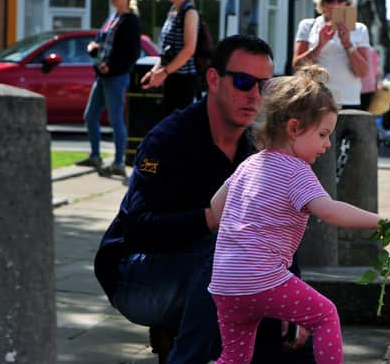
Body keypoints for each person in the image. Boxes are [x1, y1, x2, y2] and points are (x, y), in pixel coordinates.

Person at [94, 35, 315, 364]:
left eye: (264, 86)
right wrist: (209, 218)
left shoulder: (258, 151)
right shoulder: (168, 140)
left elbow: (278, 235)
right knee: (228, 255)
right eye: (242, 82)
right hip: (135, 276)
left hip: (205, 277)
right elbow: (137, 228)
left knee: (290, 320)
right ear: (213, 79)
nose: (254, 95)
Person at [208, 65, 390, 364]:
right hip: (262, 279)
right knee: (325, 315)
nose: (328, 144)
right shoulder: (297, 171)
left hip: (225, 282)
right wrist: (383, 221)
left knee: (234, 358)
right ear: (293, 128)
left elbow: (215, 206)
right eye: (323, 134)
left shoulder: (249, 165)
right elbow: (330, 211)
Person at [76, 0, 140, 176]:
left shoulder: (130, 20)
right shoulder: (112, 18)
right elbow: (99, 41)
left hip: (115, 77)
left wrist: (111, 66)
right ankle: (96, 155)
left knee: (115, 119)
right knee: (91, 116)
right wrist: (92, 48)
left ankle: (119, 162)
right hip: (102, 76)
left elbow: (131, 53)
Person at [292, 0, 370, 110]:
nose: (335, 4)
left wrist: (348, 45)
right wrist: (319, 45)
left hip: (348, 100)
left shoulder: (359, 29)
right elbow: (297, 67)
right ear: (322, 3)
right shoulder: (308, 25)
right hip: (315, 99)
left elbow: (363, 72)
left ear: (348, 3)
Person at [141, 0, 199, 116]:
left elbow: (189, 50)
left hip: (183, 80)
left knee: (178, 126)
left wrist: (164, 72)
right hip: (170, 77)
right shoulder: (172, 11)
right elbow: (165, 51)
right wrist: (154, 72)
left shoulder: (189, 12)